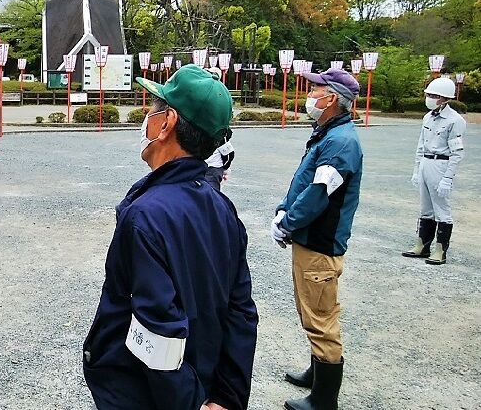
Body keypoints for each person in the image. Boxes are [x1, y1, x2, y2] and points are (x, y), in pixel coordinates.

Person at [83, 65, 258, 410]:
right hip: (205, 383)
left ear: (167, 123)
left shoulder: (144, 216)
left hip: (148, 394)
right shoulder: (223, 208)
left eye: (152, 109)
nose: (146, 119)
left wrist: (190, 404)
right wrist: (226, 397)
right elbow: (241, 311)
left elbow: (157, 327)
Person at [270, 67, 362, 410]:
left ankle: (324, 400)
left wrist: (288, 223)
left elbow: (318, 194)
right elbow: (304, 181)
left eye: (316, 91)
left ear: (333, 98)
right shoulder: (329, 134)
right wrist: (284, 210)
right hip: (310, 239)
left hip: (320, 243)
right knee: (312, 312)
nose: (310, 96)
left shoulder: (340, 142)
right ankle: (316, 371)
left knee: (322, 319)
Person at [401, 76, 465, 265]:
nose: (429, 98)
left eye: (434, 96)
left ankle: (440, 250)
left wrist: (448, 178)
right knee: (426, 208)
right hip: (426, 162)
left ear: (445, 98)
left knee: (441, 208)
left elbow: (457, 153)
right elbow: (421, 145)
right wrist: (416, 169)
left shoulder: (455, 120)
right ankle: (422, 245)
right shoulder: (427, 117)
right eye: (428, 94)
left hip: (441, 164)